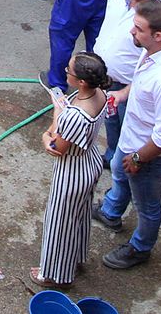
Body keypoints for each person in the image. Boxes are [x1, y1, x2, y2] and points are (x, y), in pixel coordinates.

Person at [96, 0, 161, 271]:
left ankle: (140, 248)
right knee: (119, 172)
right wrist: (122, 95)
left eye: (138, 28)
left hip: (150, 155)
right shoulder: (154, 50)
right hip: (133, 141)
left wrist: (138, 158)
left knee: (146, 205)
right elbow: (138, 83)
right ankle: (111, 212)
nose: (131, 32)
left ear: (158, 35)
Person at [29, 51, 112, 293]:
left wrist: (53, 123)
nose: (66, 73)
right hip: (90, 161)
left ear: (82, 81)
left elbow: (57, 147)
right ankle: (74, 258)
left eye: (69, 71)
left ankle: (56, 275)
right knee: (78, 217)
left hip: (72, 173)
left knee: (58, 224)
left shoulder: (75, 115)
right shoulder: (100, 95)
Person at [94, 0, 161, 161]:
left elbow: (158, 61)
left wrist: (129, 89)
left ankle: (126, 166)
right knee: (111, 120)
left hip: (129, 86)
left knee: (130, 128)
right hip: (107, 77)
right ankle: (113, 154)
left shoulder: (159, 19)